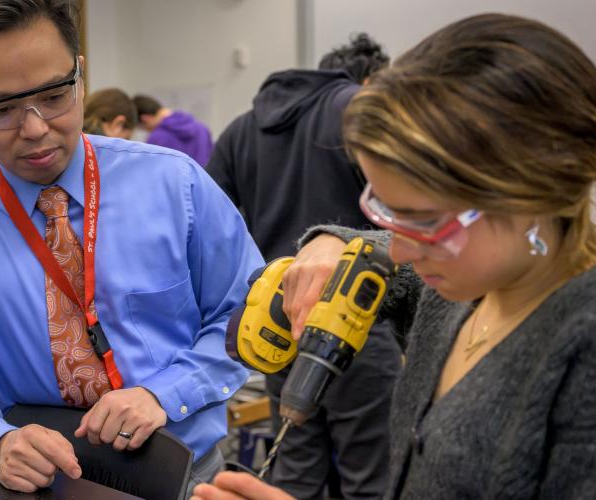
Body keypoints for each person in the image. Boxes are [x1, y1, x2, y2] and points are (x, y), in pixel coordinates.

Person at [194, 13, 596, 500]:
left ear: (533, 189)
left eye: (425, 222)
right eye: (385, 212)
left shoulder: (579, 347)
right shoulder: (448, 292)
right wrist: (338, 240)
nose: (402, 248)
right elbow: (388, 261)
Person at [0, 0, 263, 496]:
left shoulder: (176, 186)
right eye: (1, 109)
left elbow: (247, 319)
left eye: (53, 96)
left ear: (80, 76)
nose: (35, 128)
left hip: (187, 476)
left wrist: (163, 392)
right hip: (41, 485)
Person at [206, 34, 395, 499]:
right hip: (358, 322)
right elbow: (400, 213)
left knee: (294, 470)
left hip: (279, 323)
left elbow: (215, 236)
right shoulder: (358, 111)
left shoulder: (239, 129)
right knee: (369, 479)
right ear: (369, 81)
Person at [133, 94, 213, 166]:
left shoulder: (156, 138)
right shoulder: (202, 129)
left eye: (142, 128)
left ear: (145, 119)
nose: (146, 131)